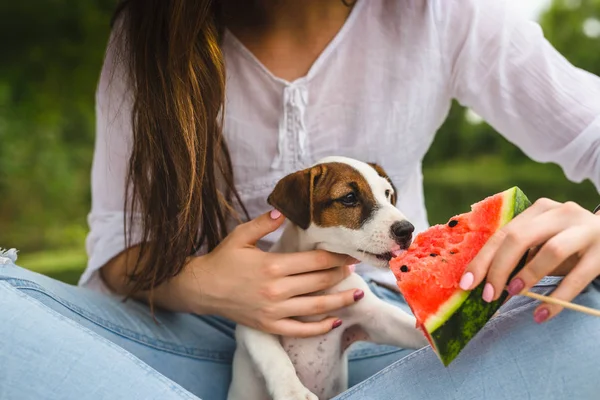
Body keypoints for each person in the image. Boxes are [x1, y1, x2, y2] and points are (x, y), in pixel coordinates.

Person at [1, 0, 600, 399]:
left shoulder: (444, 14)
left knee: (586, 315)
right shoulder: (148, 35)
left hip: (371, 332)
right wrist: (203, 282)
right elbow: (116, 243)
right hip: (179, 334)